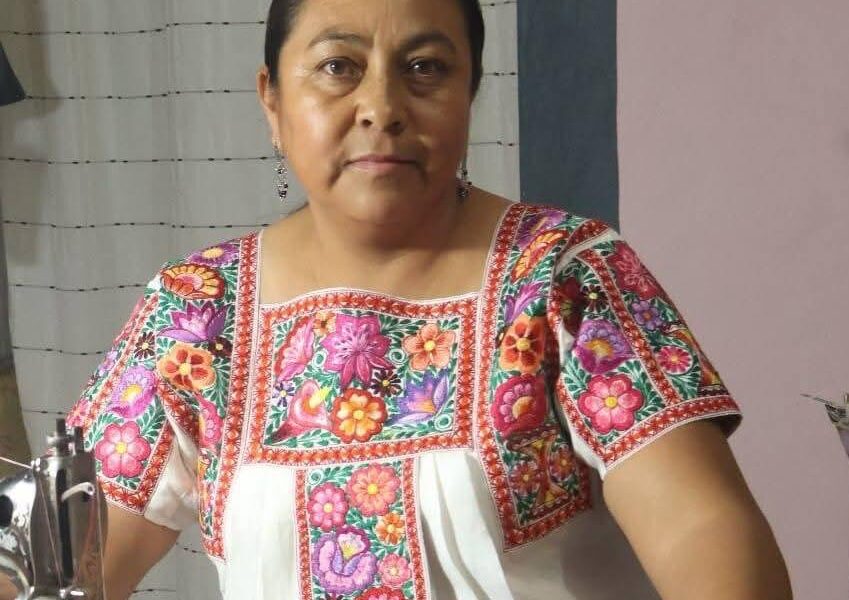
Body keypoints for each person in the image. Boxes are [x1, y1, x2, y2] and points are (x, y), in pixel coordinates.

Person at [52, 0, 792, 598]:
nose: (381, 106)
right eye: (338, 67)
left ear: (469, 93)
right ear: (271, 100)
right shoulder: (196, 311)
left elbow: (703, 534)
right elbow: (62, 565)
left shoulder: (561, 276)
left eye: (425, 68)